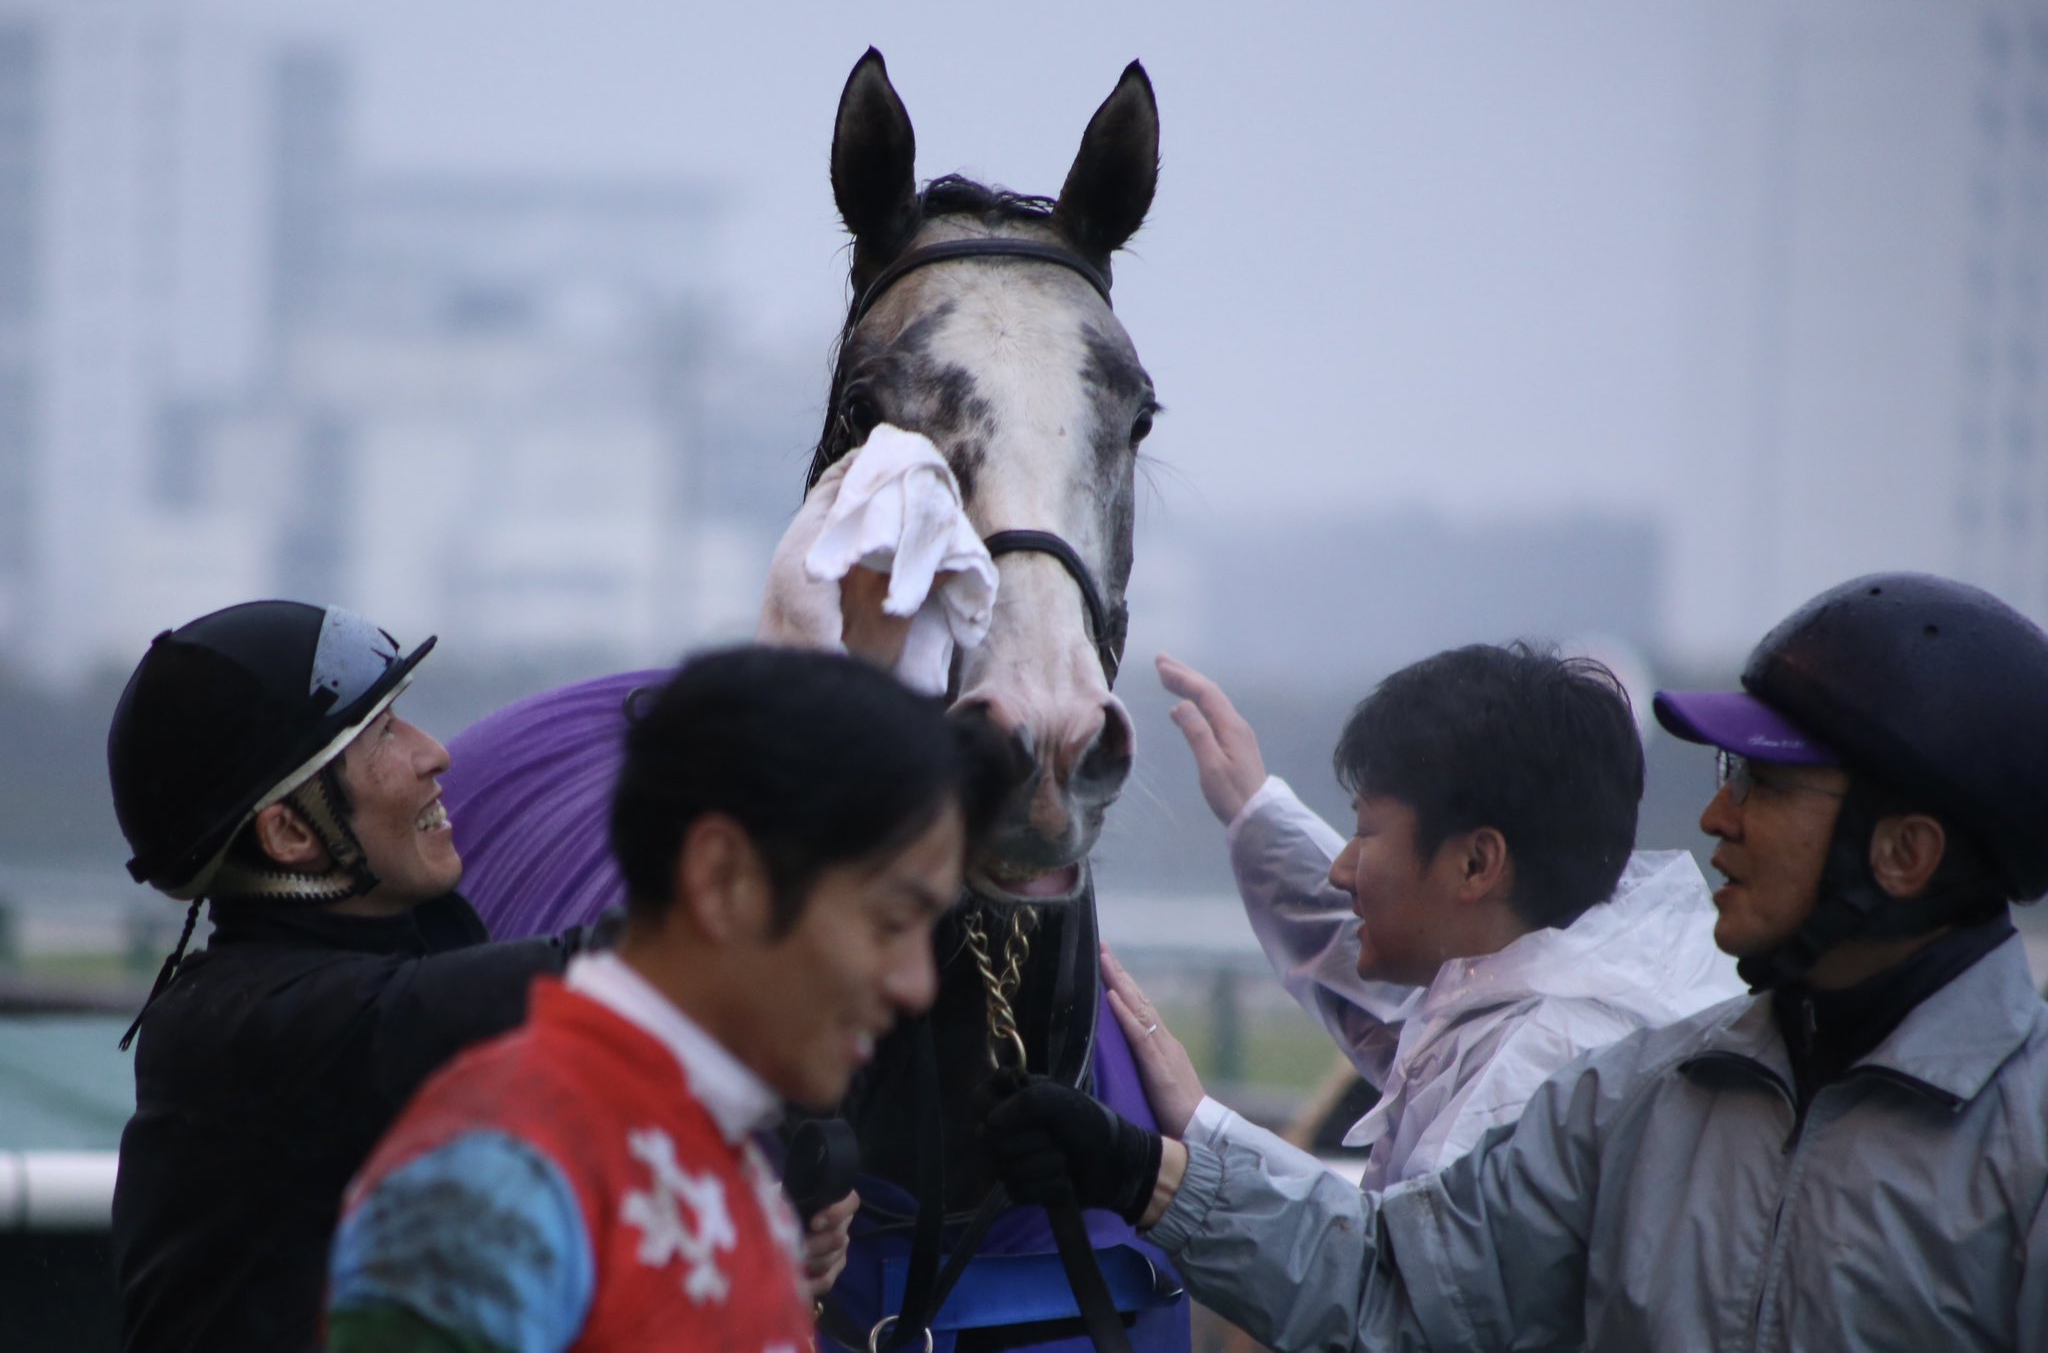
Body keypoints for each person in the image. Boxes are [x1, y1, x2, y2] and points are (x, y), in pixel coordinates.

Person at [985, 572, 2048, 1350]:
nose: (1716, 817)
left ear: (1903, 853)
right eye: (1726, 776)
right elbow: (1395, 1290)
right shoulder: (1636, 1095)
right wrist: (1146, 1174)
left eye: (1763, 787)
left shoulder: (2024, 1151)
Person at [103, 601, 855, 1351]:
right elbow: (632, 972)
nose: (435, 754)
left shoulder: (388, 965)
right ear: (292, 833)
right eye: (384, 735)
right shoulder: (256, 1027)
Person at [326, 646, 1012, 1351]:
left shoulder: (716, 1160)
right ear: (721, 878)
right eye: (890, 921)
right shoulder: (496, 1174)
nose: (916, 983)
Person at [1111, 645, 1739, 1190]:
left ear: (1475, 863)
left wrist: (1198, 1137)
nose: (1340, 869)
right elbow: (1395, 1000)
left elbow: (1390, 1287)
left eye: (1365, 833)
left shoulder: (1530, 1082)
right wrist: (1256, 815)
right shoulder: (1580, 985)